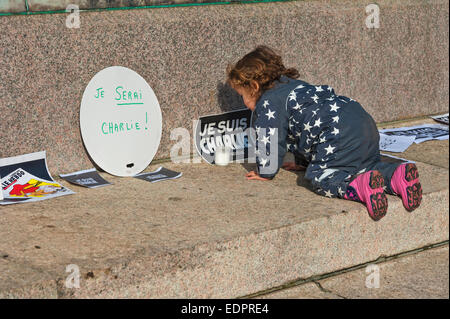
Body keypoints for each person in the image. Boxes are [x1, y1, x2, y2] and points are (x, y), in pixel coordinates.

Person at [227, 45, 422, 221]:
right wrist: (303, 162)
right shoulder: (294, 86)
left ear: (254, 87)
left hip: (336, 133)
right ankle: (397, 175)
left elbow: (270, 137)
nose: (243, 101)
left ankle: (356, 187)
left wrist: (266, 171)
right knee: (365, 165)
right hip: (361, 121)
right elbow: (305, 128)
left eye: (242, 95)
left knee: (322, 178)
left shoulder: (268, 102)